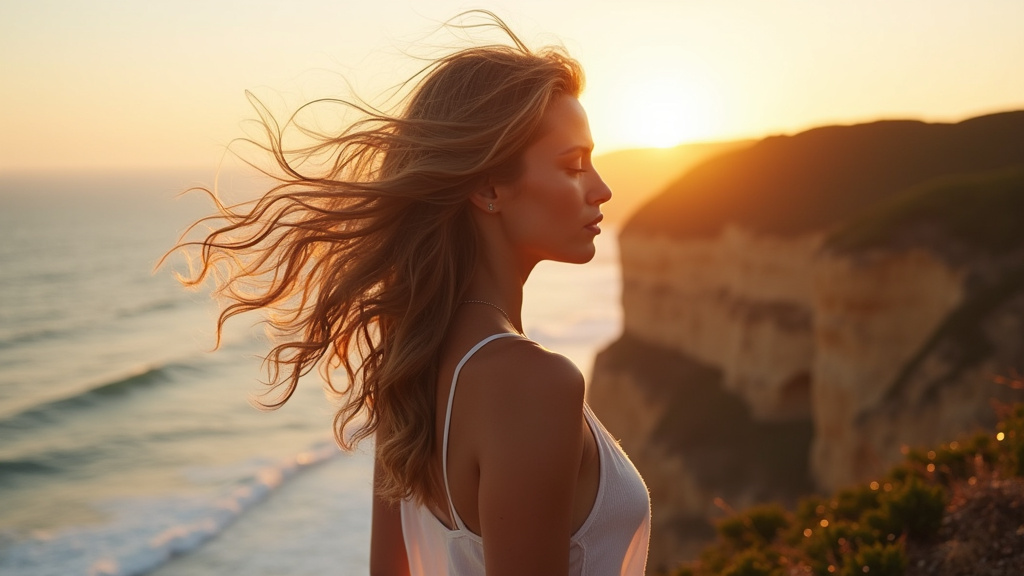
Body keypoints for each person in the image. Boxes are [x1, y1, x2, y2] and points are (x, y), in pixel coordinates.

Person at [173, 11, 649, 576]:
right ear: (488, 186)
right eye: (574, 166)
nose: (602, 188)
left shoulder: (412, 363)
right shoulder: (533, 383)